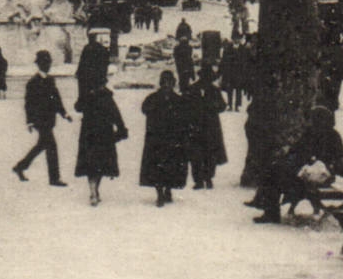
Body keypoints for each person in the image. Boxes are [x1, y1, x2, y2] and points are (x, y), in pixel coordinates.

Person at [250, 105, 343, 224]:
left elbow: (338, 156)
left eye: (314, 119)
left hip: (318, 176)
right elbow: (297, 149)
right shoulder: (311, 132)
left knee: (275, 175)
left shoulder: (332, 136)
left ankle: (269, 211)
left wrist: (317, 160)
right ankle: (266, 208)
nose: (311, 122)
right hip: (304, 172)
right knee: (273, 170)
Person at [73, 29, 128, 206]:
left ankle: (92, 190)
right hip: (104, 129)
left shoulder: (87, 86)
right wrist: (121, 127)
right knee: (102, 162)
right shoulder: (105, 94)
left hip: (89, 127)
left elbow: (79, 105)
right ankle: (95, 190)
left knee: (90, 161)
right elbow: (113, 111)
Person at [13, 50, 72, 186]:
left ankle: (20, 167)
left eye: (49, 62)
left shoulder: (51, 80)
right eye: (45, 63)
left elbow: (56, 99)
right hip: (40, 120)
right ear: (39, 64)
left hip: (49, 120)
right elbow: (28, 104)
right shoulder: (33, 82)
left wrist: (64, 114)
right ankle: (54, 178)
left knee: (41, 146)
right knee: (51, 147)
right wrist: (30, 121)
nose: (48, 65)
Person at [140, 69, 190, 206]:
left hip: (165, 140)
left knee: (165, 167)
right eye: (165, 83)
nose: (167, 86)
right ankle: (161, 192)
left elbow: (185, 118)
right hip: (162, 139)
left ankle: (165, 190)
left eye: (169, 83)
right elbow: (144, 109)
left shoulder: (172, 100)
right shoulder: (170, 99)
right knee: (162, 167)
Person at [186, 65, 228, 189]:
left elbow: (222, 106)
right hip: (196, 126)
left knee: (210, 154)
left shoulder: (214, 90)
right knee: (196, 154)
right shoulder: (193, 89)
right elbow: (185, 105)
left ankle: (208, 177)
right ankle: (199, 180)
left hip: (211, 126)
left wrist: (212, 106)